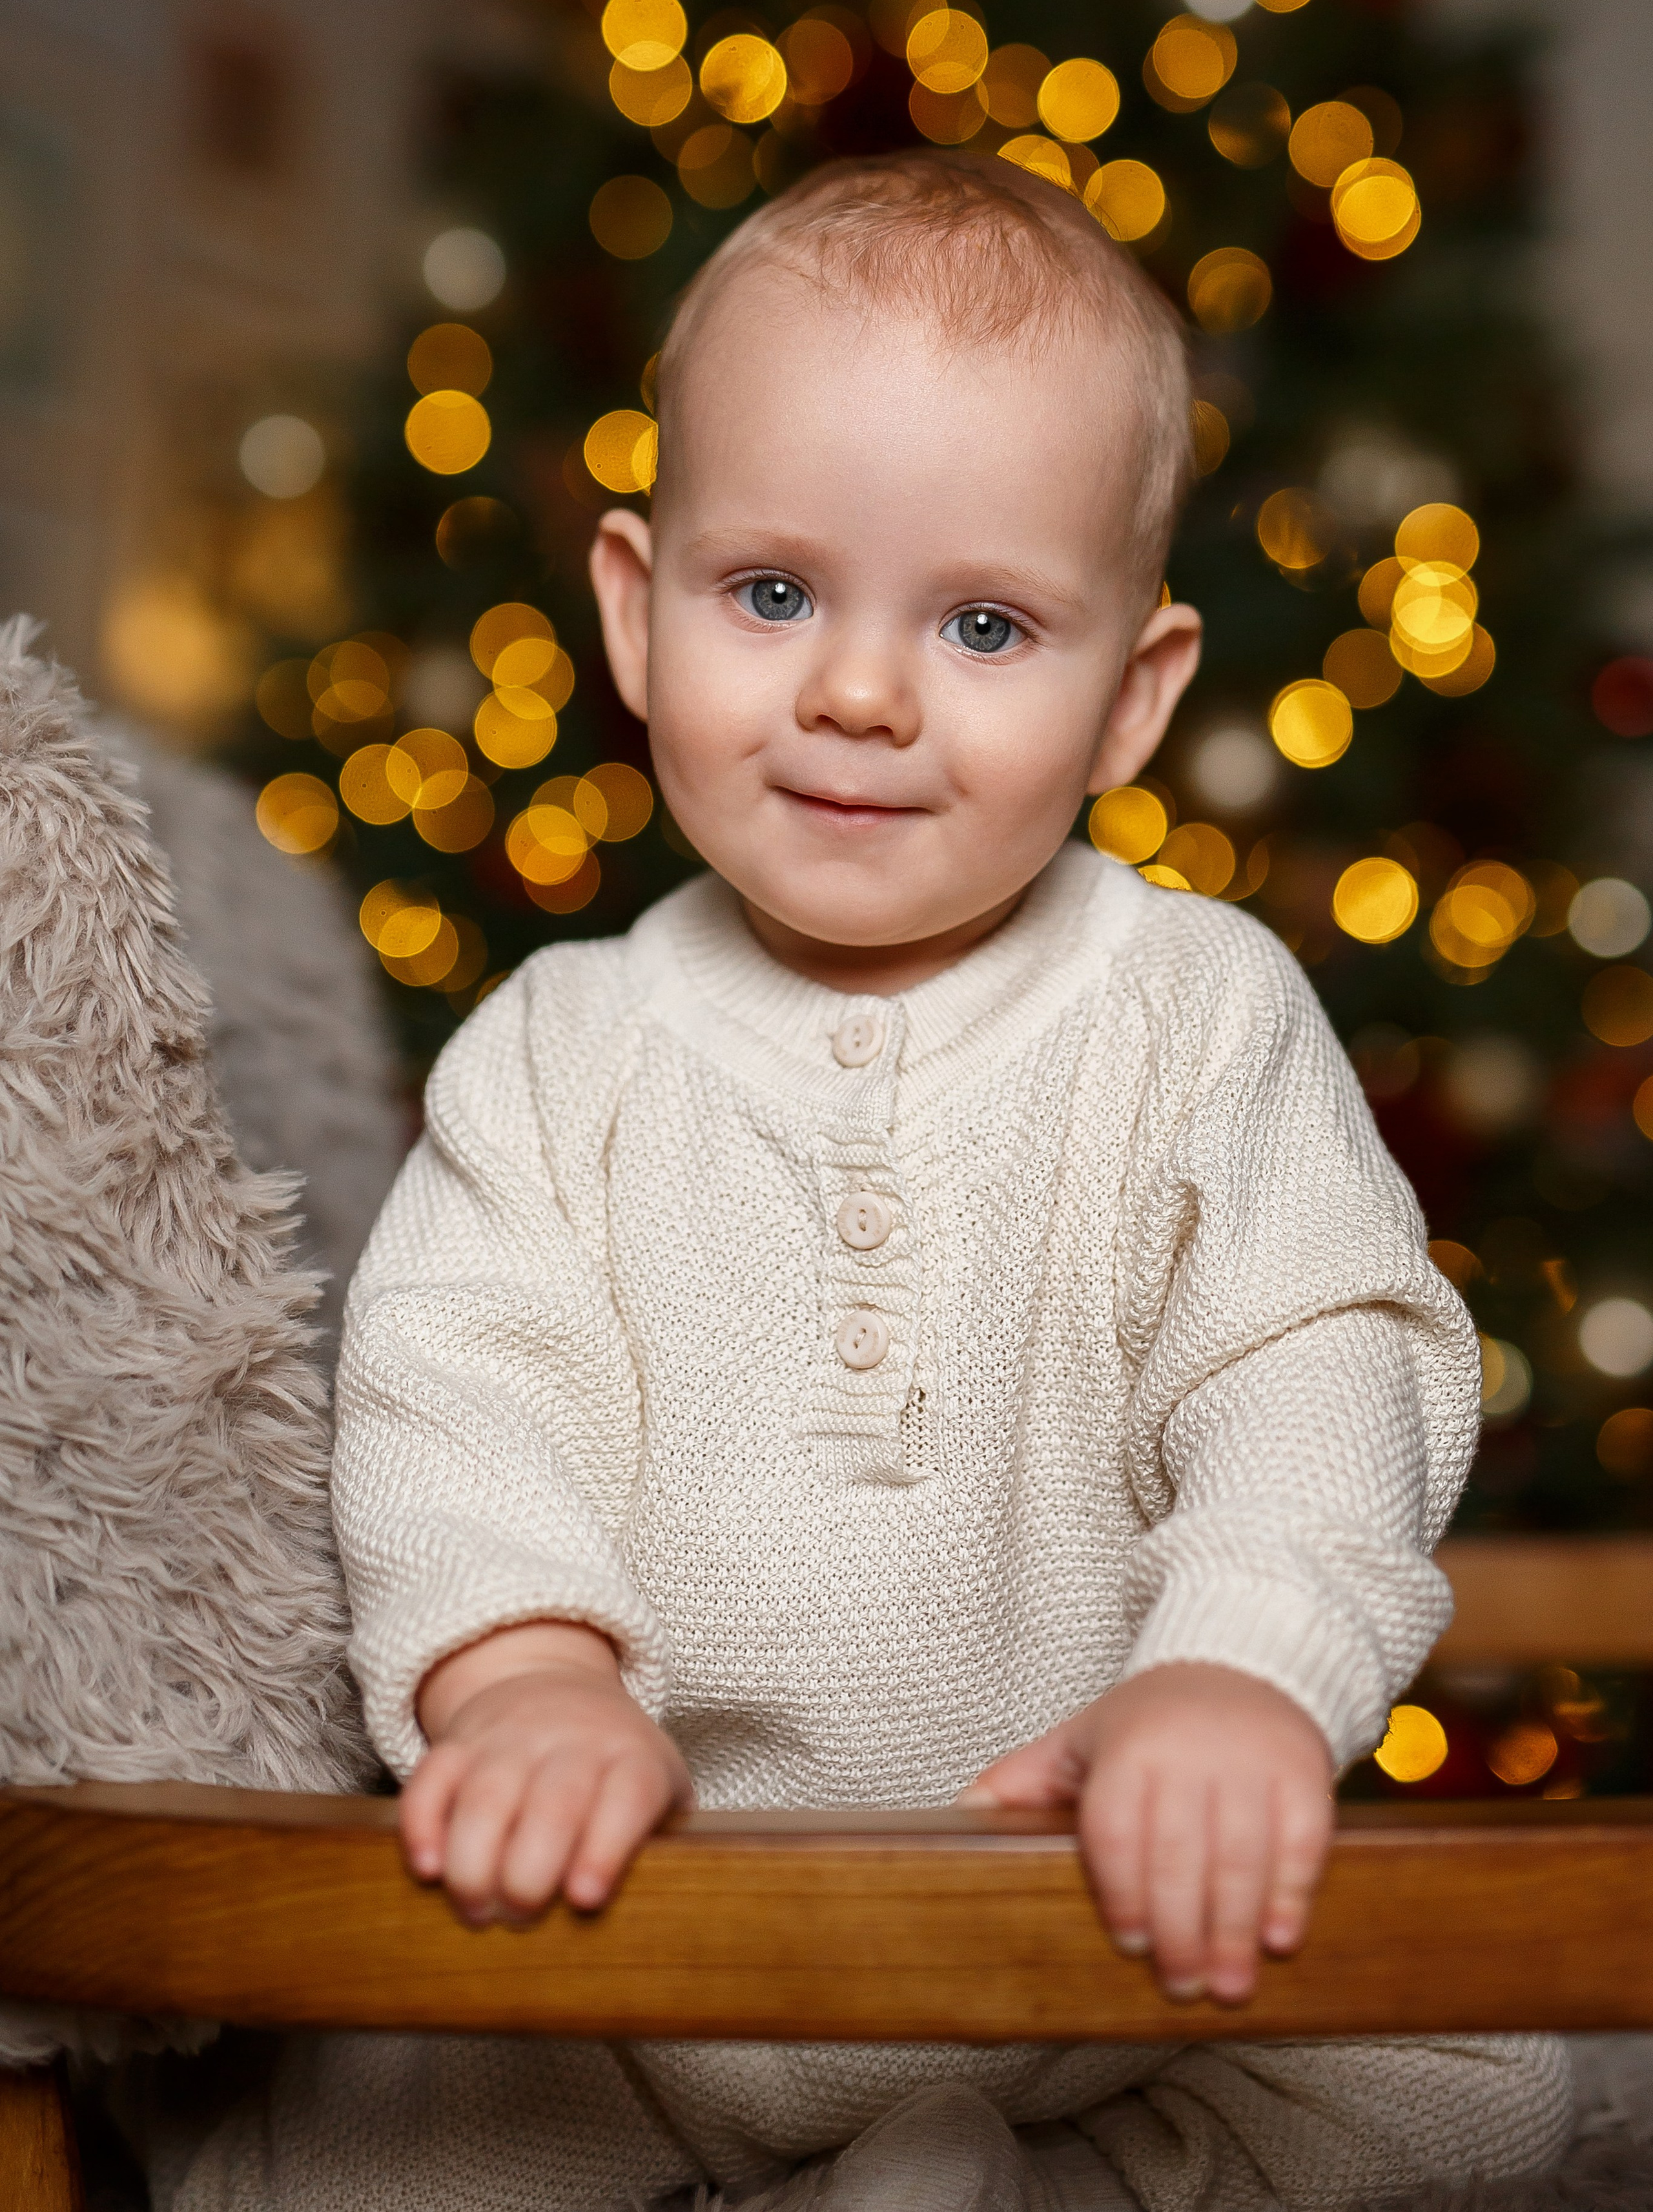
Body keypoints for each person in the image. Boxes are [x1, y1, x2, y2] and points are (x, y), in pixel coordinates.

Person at [314, 151, 1568, 2212]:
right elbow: (454, 1390)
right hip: (647, 1940)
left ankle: (1021, 2180)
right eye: (775, 592)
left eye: (986, 623)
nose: (862, 691)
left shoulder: (1195, 1009)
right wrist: (520, 1675)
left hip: (1097, 1925)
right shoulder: (558, 1044)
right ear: (636, 611)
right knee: (333, 2110)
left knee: (1474, 2063)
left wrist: (1238, 1669)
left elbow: (1323, 1360)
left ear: (1132, 697)